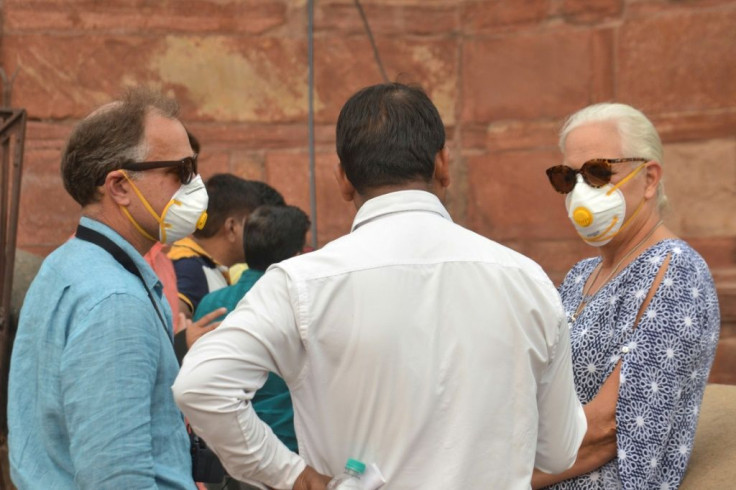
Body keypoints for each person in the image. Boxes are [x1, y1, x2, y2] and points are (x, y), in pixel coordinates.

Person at [173, 82, 587, 489]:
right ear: (443, 164)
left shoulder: (302, 283)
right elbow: (560, 450)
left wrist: (289, 474)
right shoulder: (526, 279)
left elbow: (202, 385)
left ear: (343, 179)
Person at [7, 88, 223, 488]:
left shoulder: (66, 264)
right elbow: (118, 476)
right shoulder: (115, 300)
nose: (196, 185)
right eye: (182, 171)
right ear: (120, 187)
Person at [533, 103, 721, 489]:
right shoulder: (579, 275)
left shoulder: (677, 271)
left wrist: (495, 476)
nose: (581, 192)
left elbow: (609, 425)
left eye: (598, 173)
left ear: (649, 178)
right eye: (568, 178)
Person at [194, 204, 310, 488]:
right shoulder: (301, 304)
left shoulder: (213, 304)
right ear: (297, 254)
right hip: (291, 458)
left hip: (226, 459)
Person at [168, 174, 284, 318]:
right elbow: (172, 323)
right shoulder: (190, 268)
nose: (259, 234)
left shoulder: (207, 267)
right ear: (232, 228)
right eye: (253, 226)